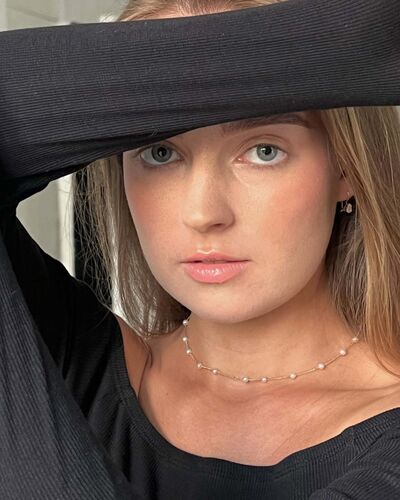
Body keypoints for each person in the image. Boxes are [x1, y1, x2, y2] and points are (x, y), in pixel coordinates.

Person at [0, 0, 400, 498]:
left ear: (346, 168)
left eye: (264, 150)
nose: (203, 213)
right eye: (160, 152)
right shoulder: (66, 360)